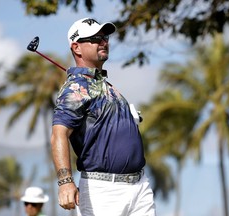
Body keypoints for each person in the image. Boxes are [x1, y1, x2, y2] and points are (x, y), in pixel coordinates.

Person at [50, 17, 156, 216]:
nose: (103, 42)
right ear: (77, 47)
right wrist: (65, 182)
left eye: (105, 37)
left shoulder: (106, 86)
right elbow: (59, 134)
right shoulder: (75, 88)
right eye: (95, 38)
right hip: (104, 192)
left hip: (139, 186)